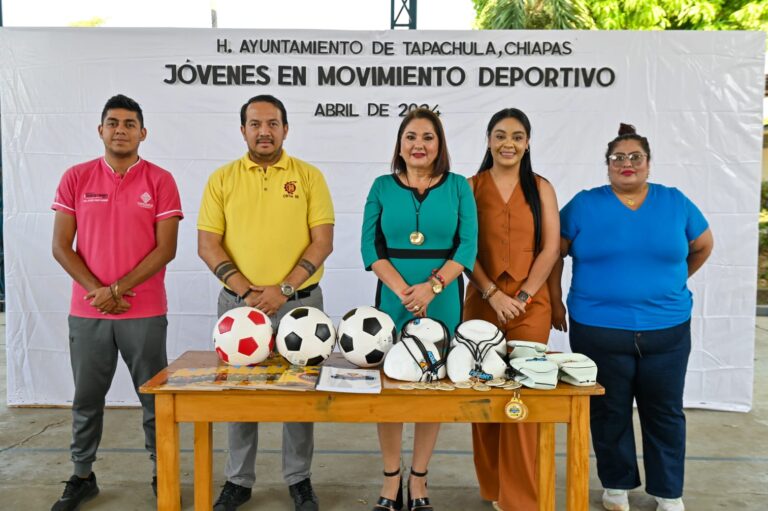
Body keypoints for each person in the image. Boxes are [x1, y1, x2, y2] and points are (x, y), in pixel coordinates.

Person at [550, 124, 714, 511]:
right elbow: (553, 253)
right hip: (598, 330)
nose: (627, 164)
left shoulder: (675, 202)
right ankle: (616, 486)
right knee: (609, 411)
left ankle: (668, 491)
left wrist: (671, 282)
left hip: (667, 331)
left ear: (648, 163)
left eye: (635, 157)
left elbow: (703, 245)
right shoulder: (584, 204)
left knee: (665, 412)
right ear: (607, 166)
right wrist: (555, 301)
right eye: (617, 158)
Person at [197, 94, 334, 511]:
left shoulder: (309, 176)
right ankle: (238, 481)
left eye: (273, 123)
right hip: (239, 306)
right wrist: (248, 292)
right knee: (241, 393)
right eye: (255, 124)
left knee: (299, 395)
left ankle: (299, 479)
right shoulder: (222, 179)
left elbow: (322, 241)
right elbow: (207, 244)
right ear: (242, 131)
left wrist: (283, 291)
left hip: (301, 304)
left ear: (286, 129)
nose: (264, 131)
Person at [50, 94, 183, 510]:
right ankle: (82, 475)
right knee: (87, 398)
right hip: (87, 311)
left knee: (153, 399)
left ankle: (162, 473)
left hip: (143, 311)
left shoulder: (160, 180)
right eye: (113, 122)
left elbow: (166, 250)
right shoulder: (76, 177)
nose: (120, 130)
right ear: (100, 130)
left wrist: (118, 289)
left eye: (129, 123)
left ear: (143, 133)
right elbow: (60, 247)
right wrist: (99, 291)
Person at [361, 108, 478, 511]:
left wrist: (431, 288)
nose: (419, 145)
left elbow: (467, 247)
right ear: (400, 144)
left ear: (440, 145)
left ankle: (420, 479)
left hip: (443, 298)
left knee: (432, 386)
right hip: (392, 298)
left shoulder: (459, 186)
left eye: (428, 137)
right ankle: (391, 479)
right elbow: (369, 247)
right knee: (391, 388)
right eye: (410, 136)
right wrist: (403, 292)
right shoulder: (380, 186)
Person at [462, 108, 560, 511]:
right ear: (488, 140)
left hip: (530, 306)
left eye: (517, 136)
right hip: (482, 304)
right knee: (485, 396)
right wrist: (490, 294)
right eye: (500, 135)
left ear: (528, 143)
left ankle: (522, 499)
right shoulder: (468, 186)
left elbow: (551, 247)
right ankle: (493, 488)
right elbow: (463, 249)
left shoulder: (541, 188)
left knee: (525, 396)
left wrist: (522, 297)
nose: (509, 143)